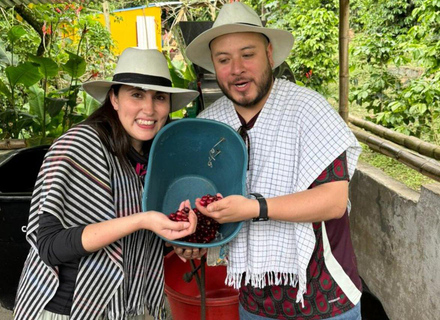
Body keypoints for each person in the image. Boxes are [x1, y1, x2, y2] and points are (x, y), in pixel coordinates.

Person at [176, 2, 364, 320]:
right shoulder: (209, 125)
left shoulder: (308, 109)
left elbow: (334, 201)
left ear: (269, 55)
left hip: (324, 300)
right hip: (253, 304)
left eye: (247, 54)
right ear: (213, 66)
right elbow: (207, 203)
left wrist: (254, 207)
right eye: (224, 60)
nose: (236, 68)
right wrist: (192, 239)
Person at [14, 47, 199, 320]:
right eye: (136, 94)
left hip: (127, 306)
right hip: (70, 308)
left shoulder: (158, 158)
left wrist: (179, 242)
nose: (148, 109)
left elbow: (141, 240)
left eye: (159, 97)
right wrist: (142, 220)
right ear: (114, 98)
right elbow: (51, 246)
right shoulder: (79, 146)